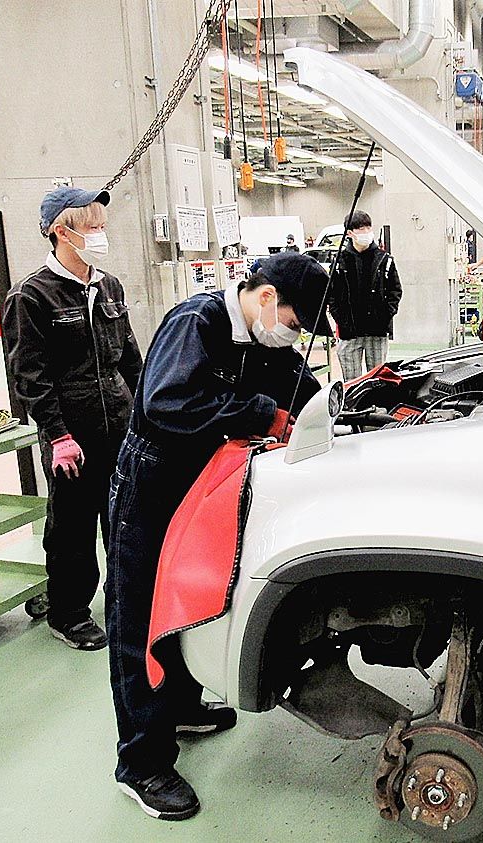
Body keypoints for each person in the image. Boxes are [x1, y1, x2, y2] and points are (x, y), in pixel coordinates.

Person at [105, 252, 330, 821]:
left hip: (203, 488)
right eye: (294, 323)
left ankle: (180, 707)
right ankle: (141, 763)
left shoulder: (261, 338)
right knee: (138, 622)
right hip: (151, 487)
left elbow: (297, 388)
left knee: (190, 600)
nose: (292, 336)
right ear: (267, 298)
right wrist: (258, 414)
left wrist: (334, 409)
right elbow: (166, 402)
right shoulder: (197, 322)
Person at [2, 186, 141, 651]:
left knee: (122, 520)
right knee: (73, 528)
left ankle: (122, 602)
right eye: (92, 227)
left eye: (102, 225)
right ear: (62, 232)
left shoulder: (109, 286)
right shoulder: (31, 296)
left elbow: (129, 358)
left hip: (118, 421)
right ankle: (69, 613)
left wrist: (146, 410)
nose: (101, 234)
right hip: (71, 431)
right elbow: (29, 375)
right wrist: (58, 435)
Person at [328, 210, 402, 380]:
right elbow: (332, 294)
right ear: (350, 233)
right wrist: (341, 320)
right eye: (361, 229)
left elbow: (395, 290)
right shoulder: (339, 261)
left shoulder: (384, 259)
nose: (367, 232)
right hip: (349, 332)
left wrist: (385, 315)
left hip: (377, 330)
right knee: (352, 382)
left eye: (369, 227)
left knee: (377, 380)